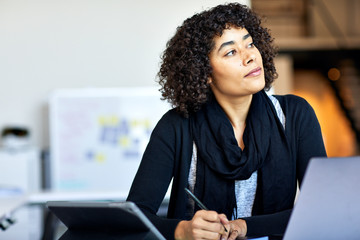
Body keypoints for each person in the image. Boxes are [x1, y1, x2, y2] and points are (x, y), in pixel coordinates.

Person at [127, 3, 327, 240]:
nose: (251, 56)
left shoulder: (295, 115)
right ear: (205, 73)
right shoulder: (176, 127)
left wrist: (245, 226)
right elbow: (134, 218)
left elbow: (321, 212)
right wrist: (182, 230)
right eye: (231, 52)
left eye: (250, 44)